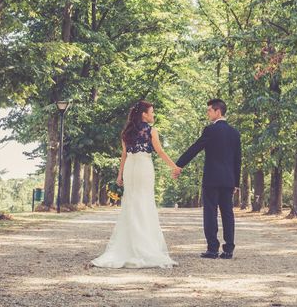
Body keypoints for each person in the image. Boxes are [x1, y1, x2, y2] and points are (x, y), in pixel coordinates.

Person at [91, 100, 179, 268]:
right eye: (151, 112)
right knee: (144, 202)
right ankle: (145, 246)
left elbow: (124, 155)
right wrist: (174, 167)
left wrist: (120, 175)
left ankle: (129, 246)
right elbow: (159, 151)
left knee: (131, 203)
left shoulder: (127, 132)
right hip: (144, 167)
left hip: (130, 168)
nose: (153, 114)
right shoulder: (152, 131)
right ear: (144, 114)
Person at [173, 99, 241, 259]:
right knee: (227, 214)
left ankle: (212, 249)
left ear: (218, 111)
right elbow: (238, 159)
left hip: (211, 178)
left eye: (209, 110)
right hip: (228, 180)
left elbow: (195, 148)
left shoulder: (210, 130)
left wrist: (178, 165)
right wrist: (236, 182)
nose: (207, 113)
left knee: (210, 213)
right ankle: (229, 249)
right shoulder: (235, 133)